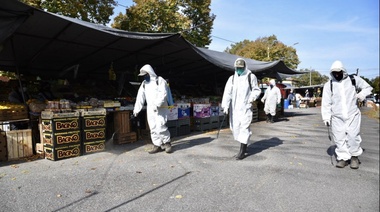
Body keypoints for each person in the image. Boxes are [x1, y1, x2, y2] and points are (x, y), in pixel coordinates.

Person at [321, 60, 373, 169]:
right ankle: (342, 158)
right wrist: (326, 117)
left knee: (353, 136)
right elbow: (326, 102)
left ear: (343, 71)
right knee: (339, 137)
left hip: (352, 114)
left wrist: (361, 95)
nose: (337, 74)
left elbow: (368, 88)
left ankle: (354, 157)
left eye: (339, 72)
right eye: (334, 72)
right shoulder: (329, 85)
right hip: (337, 116)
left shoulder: (353, 80)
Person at [221, 58, 261, 160]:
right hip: (234, 109)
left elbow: (256, 90)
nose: (239, 70)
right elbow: (227, 93)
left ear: (245, 67)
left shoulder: (250, 76)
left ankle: (242, 151)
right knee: (236, 129)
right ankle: (245, 143)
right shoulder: (232, 79)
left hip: (245, 107)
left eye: (241, 68)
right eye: (237, 68)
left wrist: (252, 98)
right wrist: (225, 105)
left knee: (244, 127)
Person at [133, 64, 172, 154]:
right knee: (153, 126)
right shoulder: (144, 84)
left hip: (160, 107)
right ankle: (157, 144)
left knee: (161, 125)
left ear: (149, 73)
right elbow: (140, 97)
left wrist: (157, 104)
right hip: (150, 108)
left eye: (145, 75)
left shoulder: (160, 80)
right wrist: (136, 110)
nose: (144, 77)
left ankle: (167, 143)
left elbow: (163, 94)